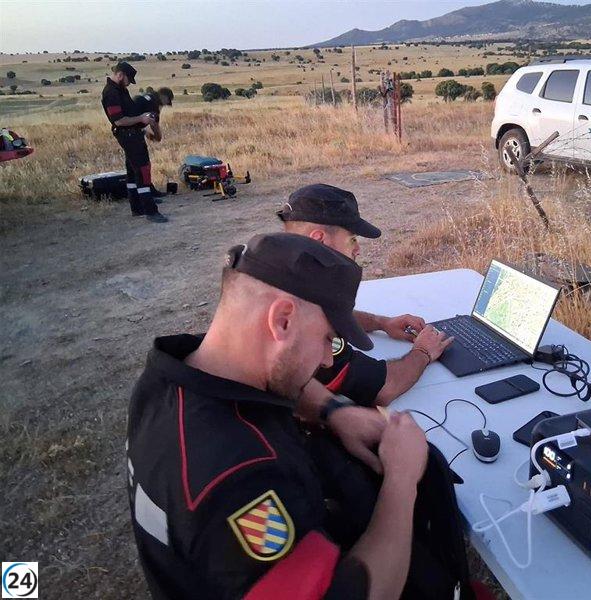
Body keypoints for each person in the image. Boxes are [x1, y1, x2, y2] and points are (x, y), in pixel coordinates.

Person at [126, 233, 475, 599]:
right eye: (327, 338)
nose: (327, 359)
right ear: (283, 321)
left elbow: (275, 377)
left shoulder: (166, 380)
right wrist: (402, 481)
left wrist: (334, 411)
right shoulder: (239, 484)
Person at [278, 183, 453, 407]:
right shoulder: (301, 307)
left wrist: (382, 322)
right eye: (352, 239)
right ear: (319, 240)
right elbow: (382, 388)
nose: (357, 249)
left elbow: (331, 315)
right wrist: (423, 352)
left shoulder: (278, 270)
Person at [101, 61, 167, 223]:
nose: (129, 83)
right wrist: (141, 118)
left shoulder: (119, 90)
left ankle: (136, 207)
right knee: (143, 170)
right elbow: (119, 121)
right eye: (128, 79)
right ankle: (150, 211)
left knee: (132, 172)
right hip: (128, 135)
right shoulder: (111, 93)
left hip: (133, 134)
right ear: (120, 74)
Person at [132, 87, 173, 198]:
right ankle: (147, 194)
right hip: (133, 133)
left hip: (129, 132)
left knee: (133, 166)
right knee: (144, 164)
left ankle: (137, 195)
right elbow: (154, 126)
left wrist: (145, 132)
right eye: (166, 102)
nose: (164, 106)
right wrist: (158, 137)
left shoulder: (146, 98)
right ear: (164, 97)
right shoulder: (153, 104)